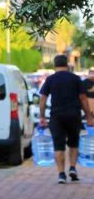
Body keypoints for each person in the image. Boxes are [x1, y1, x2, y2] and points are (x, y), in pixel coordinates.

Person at [39, 55, 94, 183]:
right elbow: (83, 99)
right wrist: (89, 116)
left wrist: (42, 116)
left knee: (58, 146)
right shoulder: (75, 79)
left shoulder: (50, 79)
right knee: (74, 143)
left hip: (56, 116)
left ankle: (61, 174)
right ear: (67, 65)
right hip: (74, 115)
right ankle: (73, 168)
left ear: (55, 65)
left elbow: (43, 99)